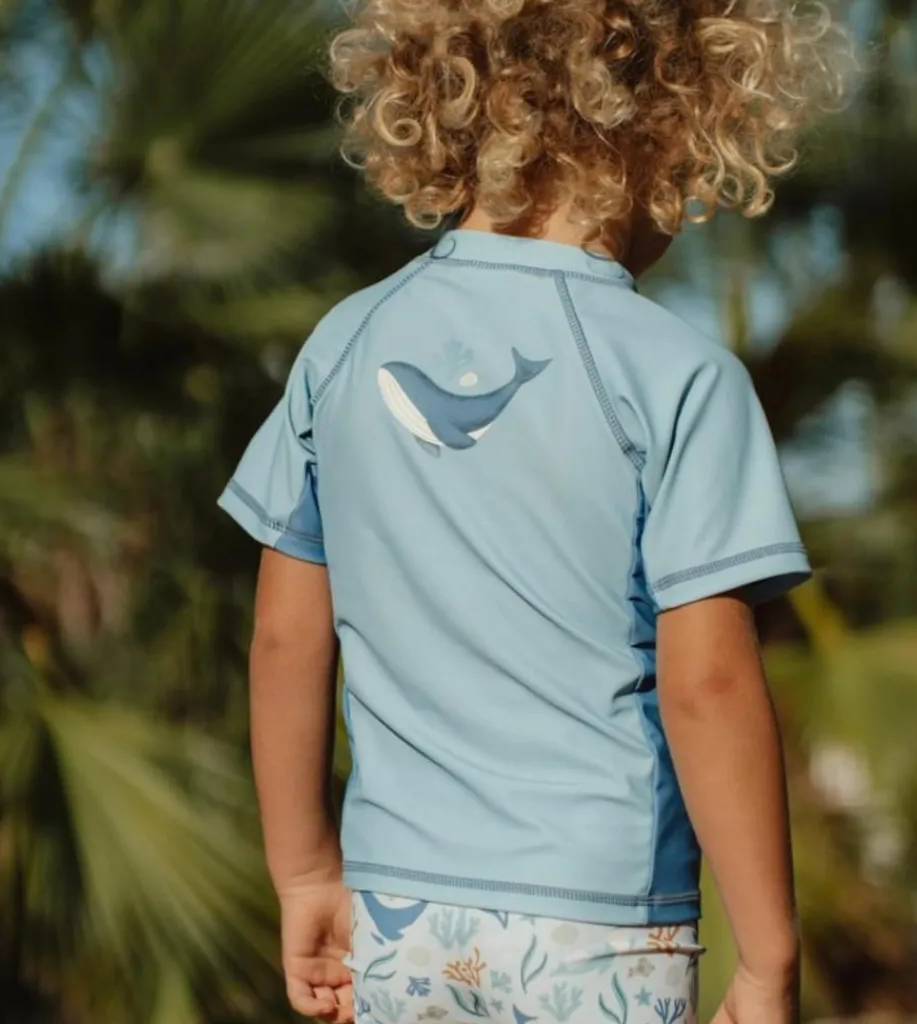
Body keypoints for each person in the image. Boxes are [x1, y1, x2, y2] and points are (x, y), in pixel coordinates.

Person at [218, 2, 851, 1022]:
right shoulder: (680, 375)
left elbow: (286, 637)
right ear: (672, 123)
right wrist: (768, 955)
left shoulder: (344, 344)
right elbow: (708, 683)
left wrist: (303, 873)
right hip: (602, 925)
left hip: (398, 917)